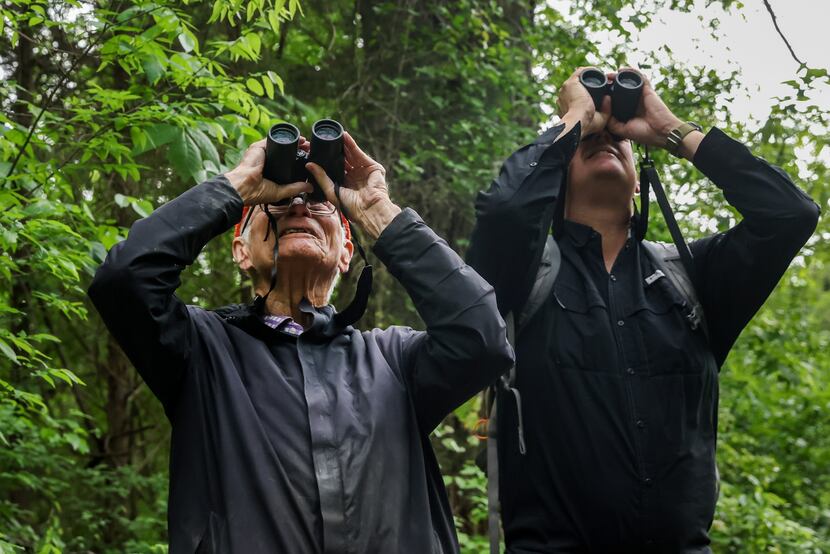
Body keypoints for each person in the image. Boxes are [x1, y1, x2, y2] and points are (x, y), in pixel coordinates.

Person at [88, 130, 514, 553]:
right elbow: (124, 281)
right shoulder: (202, 351)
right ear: (241, 250)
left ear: (346, 252)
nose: (298, 207)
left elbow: (482, 337)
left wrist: (377, 212)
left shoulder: (395, 361)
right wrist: (236, 186)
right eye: (277, 204)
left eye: (319, 205)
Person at [466, 67, 820, 553]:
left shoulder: (691, 279)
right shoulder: (521, 277)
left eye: (620, 143)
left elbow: (790, 214)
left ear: (638, 183)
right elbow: (505, 210)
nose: (605, 141)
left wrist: (672, 131)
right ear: (554, 182)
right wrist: (574, 120)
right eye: (587, 143)